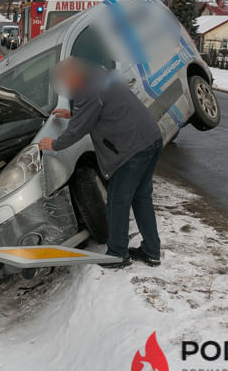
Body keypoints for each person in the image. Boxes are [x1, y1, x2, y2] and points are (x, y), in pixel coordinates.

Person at [37, 58, 164, 268]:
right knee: (141, 199)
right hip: (150, 139)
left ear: (75, 76)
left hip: (132, 150)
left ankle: (117, 255)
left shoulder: (88, 91)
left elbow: (78, 130)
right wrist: (73, 114)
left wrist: (54, 144)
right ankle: (152, 251)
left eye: (66, 81)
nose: (66, 86)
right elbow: (99, 108)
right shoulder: (99, 76)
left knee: (117, 202)